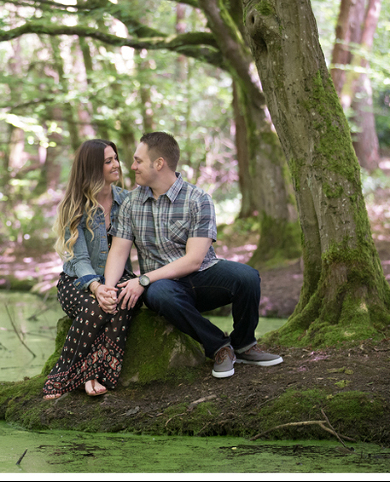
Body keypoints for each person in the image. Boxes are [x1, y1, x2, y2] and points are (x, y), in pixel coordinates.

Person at [98, 131, 282, 379]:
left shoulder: (198, 199)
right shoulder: (131, 204)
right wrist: (109, 289)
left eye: (138, 161)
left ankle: (244, 345)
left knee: (248, 277)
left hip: (203, 276)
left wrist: (144, 279)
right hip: (165, 288)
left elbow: (195, 260)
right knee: (160, 293)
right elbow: (119, 252)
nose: (132, 167)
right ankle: (219, 347)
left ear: (159, 163)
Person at [43, 139, 141, 400]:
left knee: (124, 303)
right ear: (93, 168)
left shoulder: (128, 201)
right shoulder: (74, 206)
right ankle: (62, 374)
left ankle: (91, 374)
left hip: (119, 278)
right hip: (78, 282)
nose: (116, 164)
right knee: (95, 308)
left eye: (116, 158)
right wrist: (97, 287)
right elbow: (78, 258)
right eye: (108, 161)